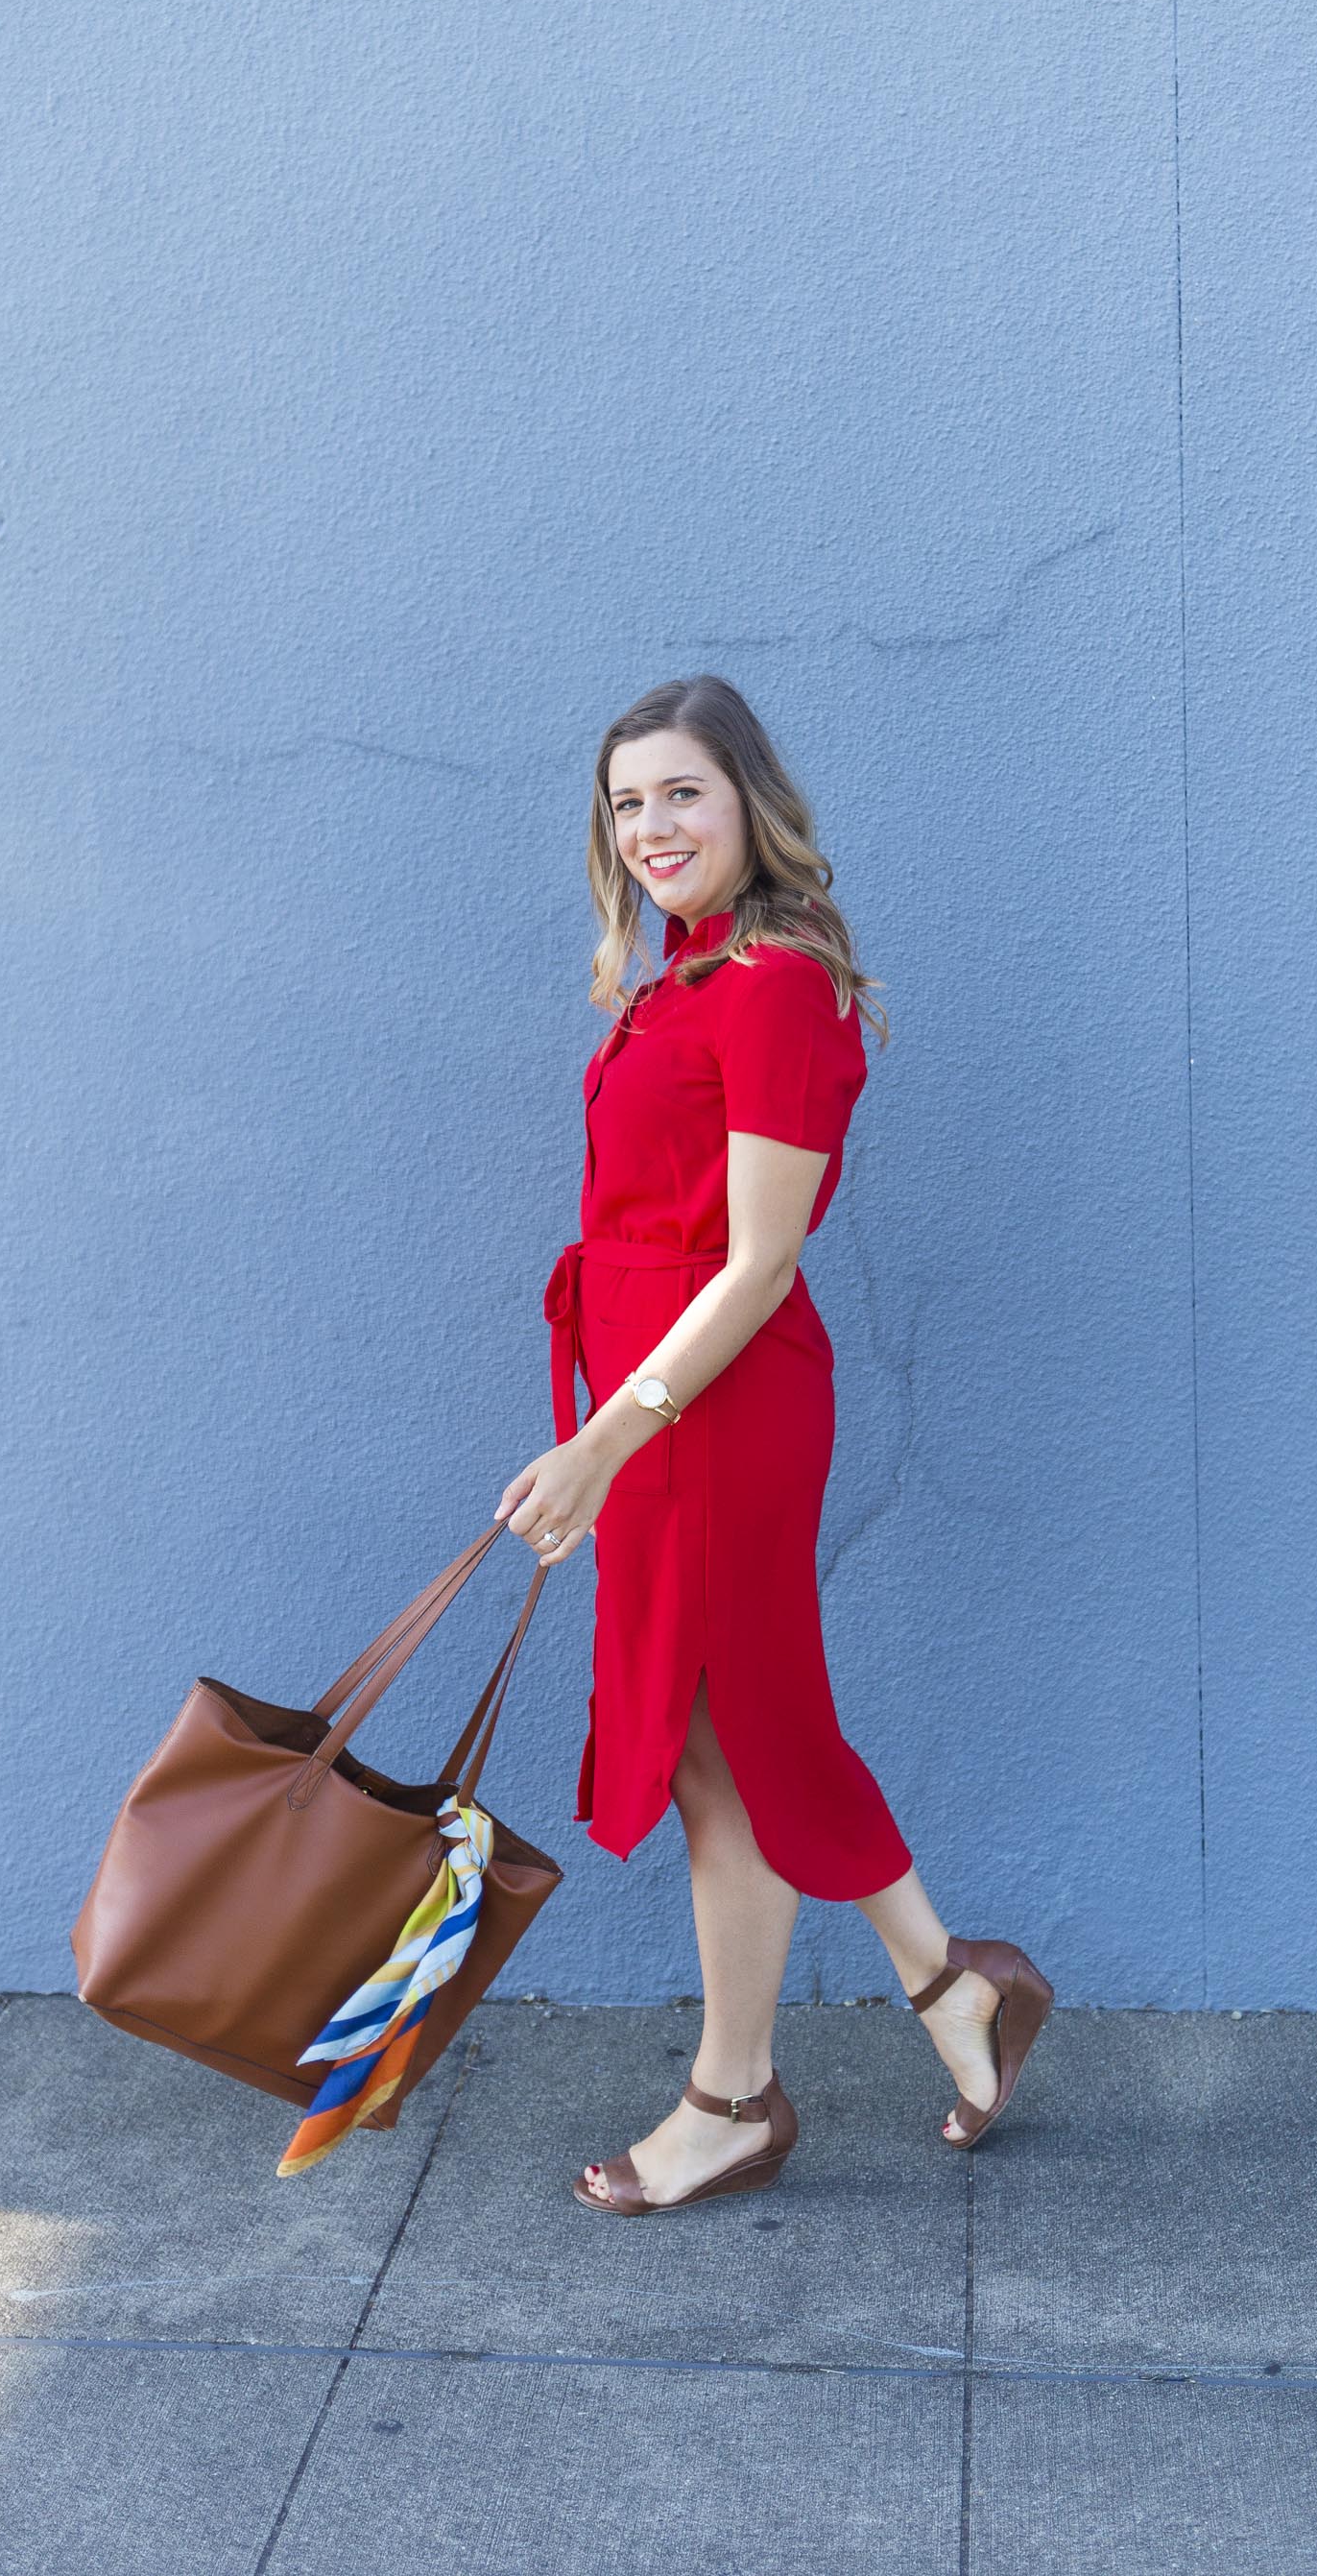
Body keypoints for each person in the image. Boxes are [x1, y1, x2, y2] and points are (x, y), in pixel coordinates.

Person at [495, 677, 1051, 2214]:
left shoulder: (776, 985)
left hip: (716, 1414)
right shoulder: (677, 979)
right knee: (727, 1733)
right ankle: (950, 1990)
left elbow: (756, 1263)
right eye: (627, 804)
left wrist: (603, 1442)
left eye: (682, 792)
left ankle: (737, 2095)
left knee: (730, 1729)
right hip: (665, 1407)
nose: (653, 826)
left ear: (747, 800)